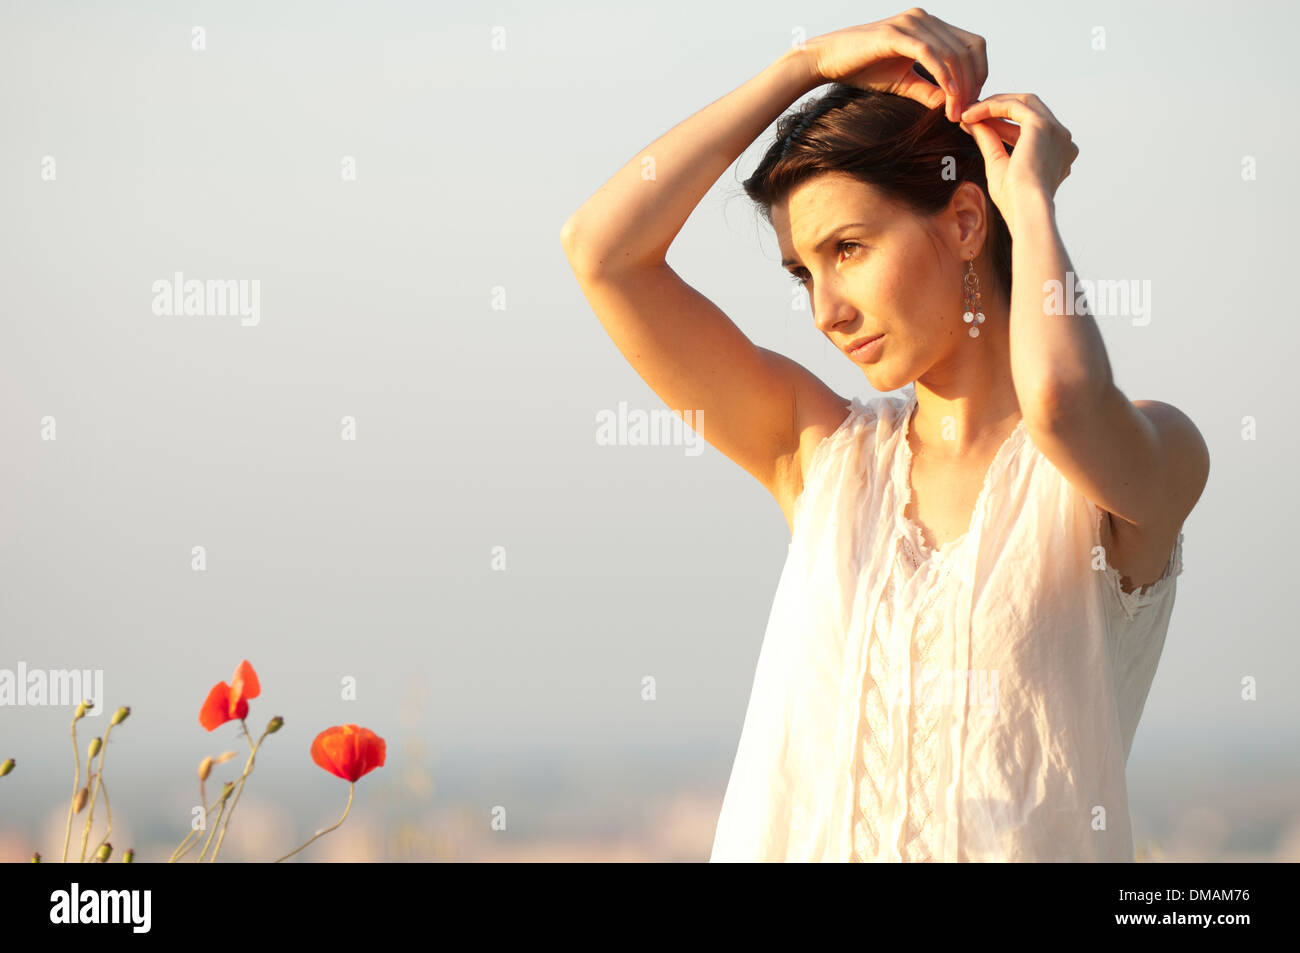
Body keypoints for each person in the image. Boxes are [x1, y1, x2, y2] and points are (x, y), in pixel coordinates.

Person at [560, 9, 1209, 861]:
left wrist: (1033, 200)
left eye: (850, 248)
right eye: (804, 272)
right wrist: (806, 66)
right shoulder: (821, 455)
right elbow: (601, 252)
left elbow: (1056, 399)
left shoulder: (1135, 467)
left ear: (967, 221)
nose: (825, 310)